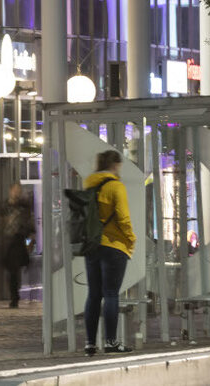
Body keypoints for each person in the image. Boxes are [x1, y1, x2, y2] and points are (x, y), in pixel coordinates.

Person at [83, 150, 136, 356]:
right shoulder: (116, 186)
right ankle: (111, 342)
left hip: (92, 245)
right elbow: (123, 217)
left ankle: (89, 343)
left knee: (94, 294)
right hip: (114, 246)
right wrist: (131, 238)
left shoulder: (90, 183)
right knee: (111, 294)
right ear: (115, 164)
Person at [0, 182, 35, 308]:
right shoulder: (4, 206)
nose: (17, 193)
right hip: (7, 242)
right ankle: (14, 295)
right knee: (11, 270)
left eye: (18, 191)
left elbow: (29, 227)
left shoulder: (24, 206)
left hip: (19, 241)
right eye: (15, 190)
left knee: (15, 269)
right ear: (10, 191)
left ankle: (14, 296)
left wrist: (29, 243)